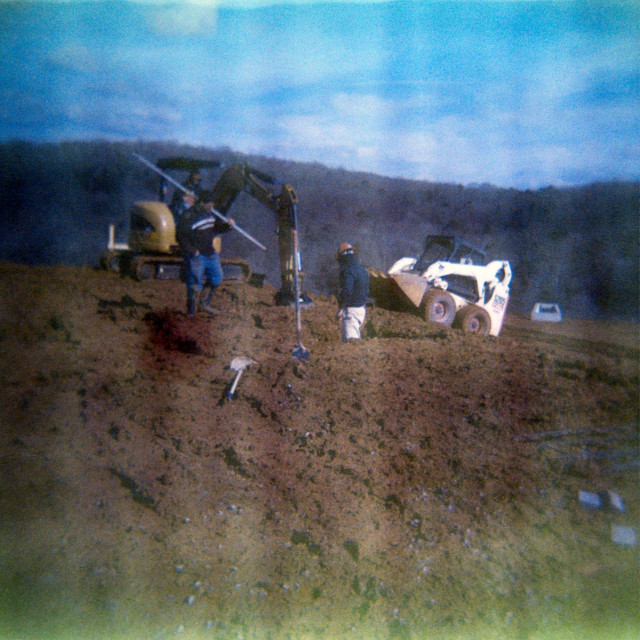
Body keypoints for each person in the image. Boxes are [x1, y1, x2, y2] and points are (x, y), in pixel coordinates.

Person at [177, 193, 235, 316]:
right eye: (210, 204)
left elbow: (215, 229)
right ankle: (191, 312)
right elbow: (180, 237)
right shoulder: (188, 216)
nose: (212, 206)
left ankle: (204, 304)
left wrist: (228, 226)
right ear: (202, 203)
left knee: (217, 278)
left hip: (211, 253)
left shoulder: (209, 214)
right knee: (194, 283)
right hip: (197, 255)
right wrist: (193, 251)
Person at [336, 243, 370, 342]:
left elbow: (347, 291)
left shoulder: (349, 271)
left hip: (351, 312)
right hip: (361, 309)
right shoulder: (362, 269)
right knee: (354, 341)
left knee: (351, 344)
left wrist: (341, 307)